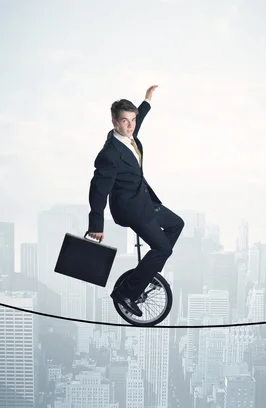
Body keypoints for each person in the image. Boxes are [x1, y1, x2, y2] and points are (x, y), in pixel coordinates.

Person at [86, 85, 185, 317]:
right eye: (124, 121)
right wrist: (96, 225)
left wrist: (147, 101)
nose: (130, 125)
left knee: (177, 224)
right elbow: (98, 190)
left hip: (143, 199)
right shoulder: (110, 154)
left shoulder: (130, 136)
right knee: (163, 248)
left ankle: (146, 274)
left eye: (132, 120)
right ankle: (127, 293)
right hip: (129, 209)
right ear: (114, 122)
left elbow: (138, 122)